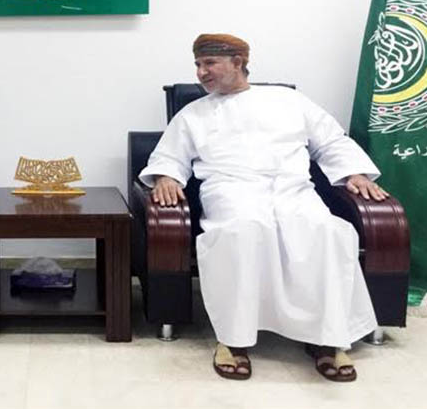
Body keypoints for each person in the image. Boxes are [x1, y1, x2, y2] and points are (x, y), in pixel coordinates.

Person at [139, 34, 388, 382]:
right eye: (197, 64)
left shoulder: (289, 101)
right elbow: (169, 156)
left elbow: (331, 141)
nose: (200, 72)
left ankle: (327, 340)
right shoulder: (192, 114)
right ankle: (233, 340)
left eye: (209, 63)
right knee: (243, 231)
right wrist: (167, 177)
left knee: (327, 232)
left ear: (238, 62)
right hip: (231, 191)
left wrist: (354, 174)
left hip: (293, 190)